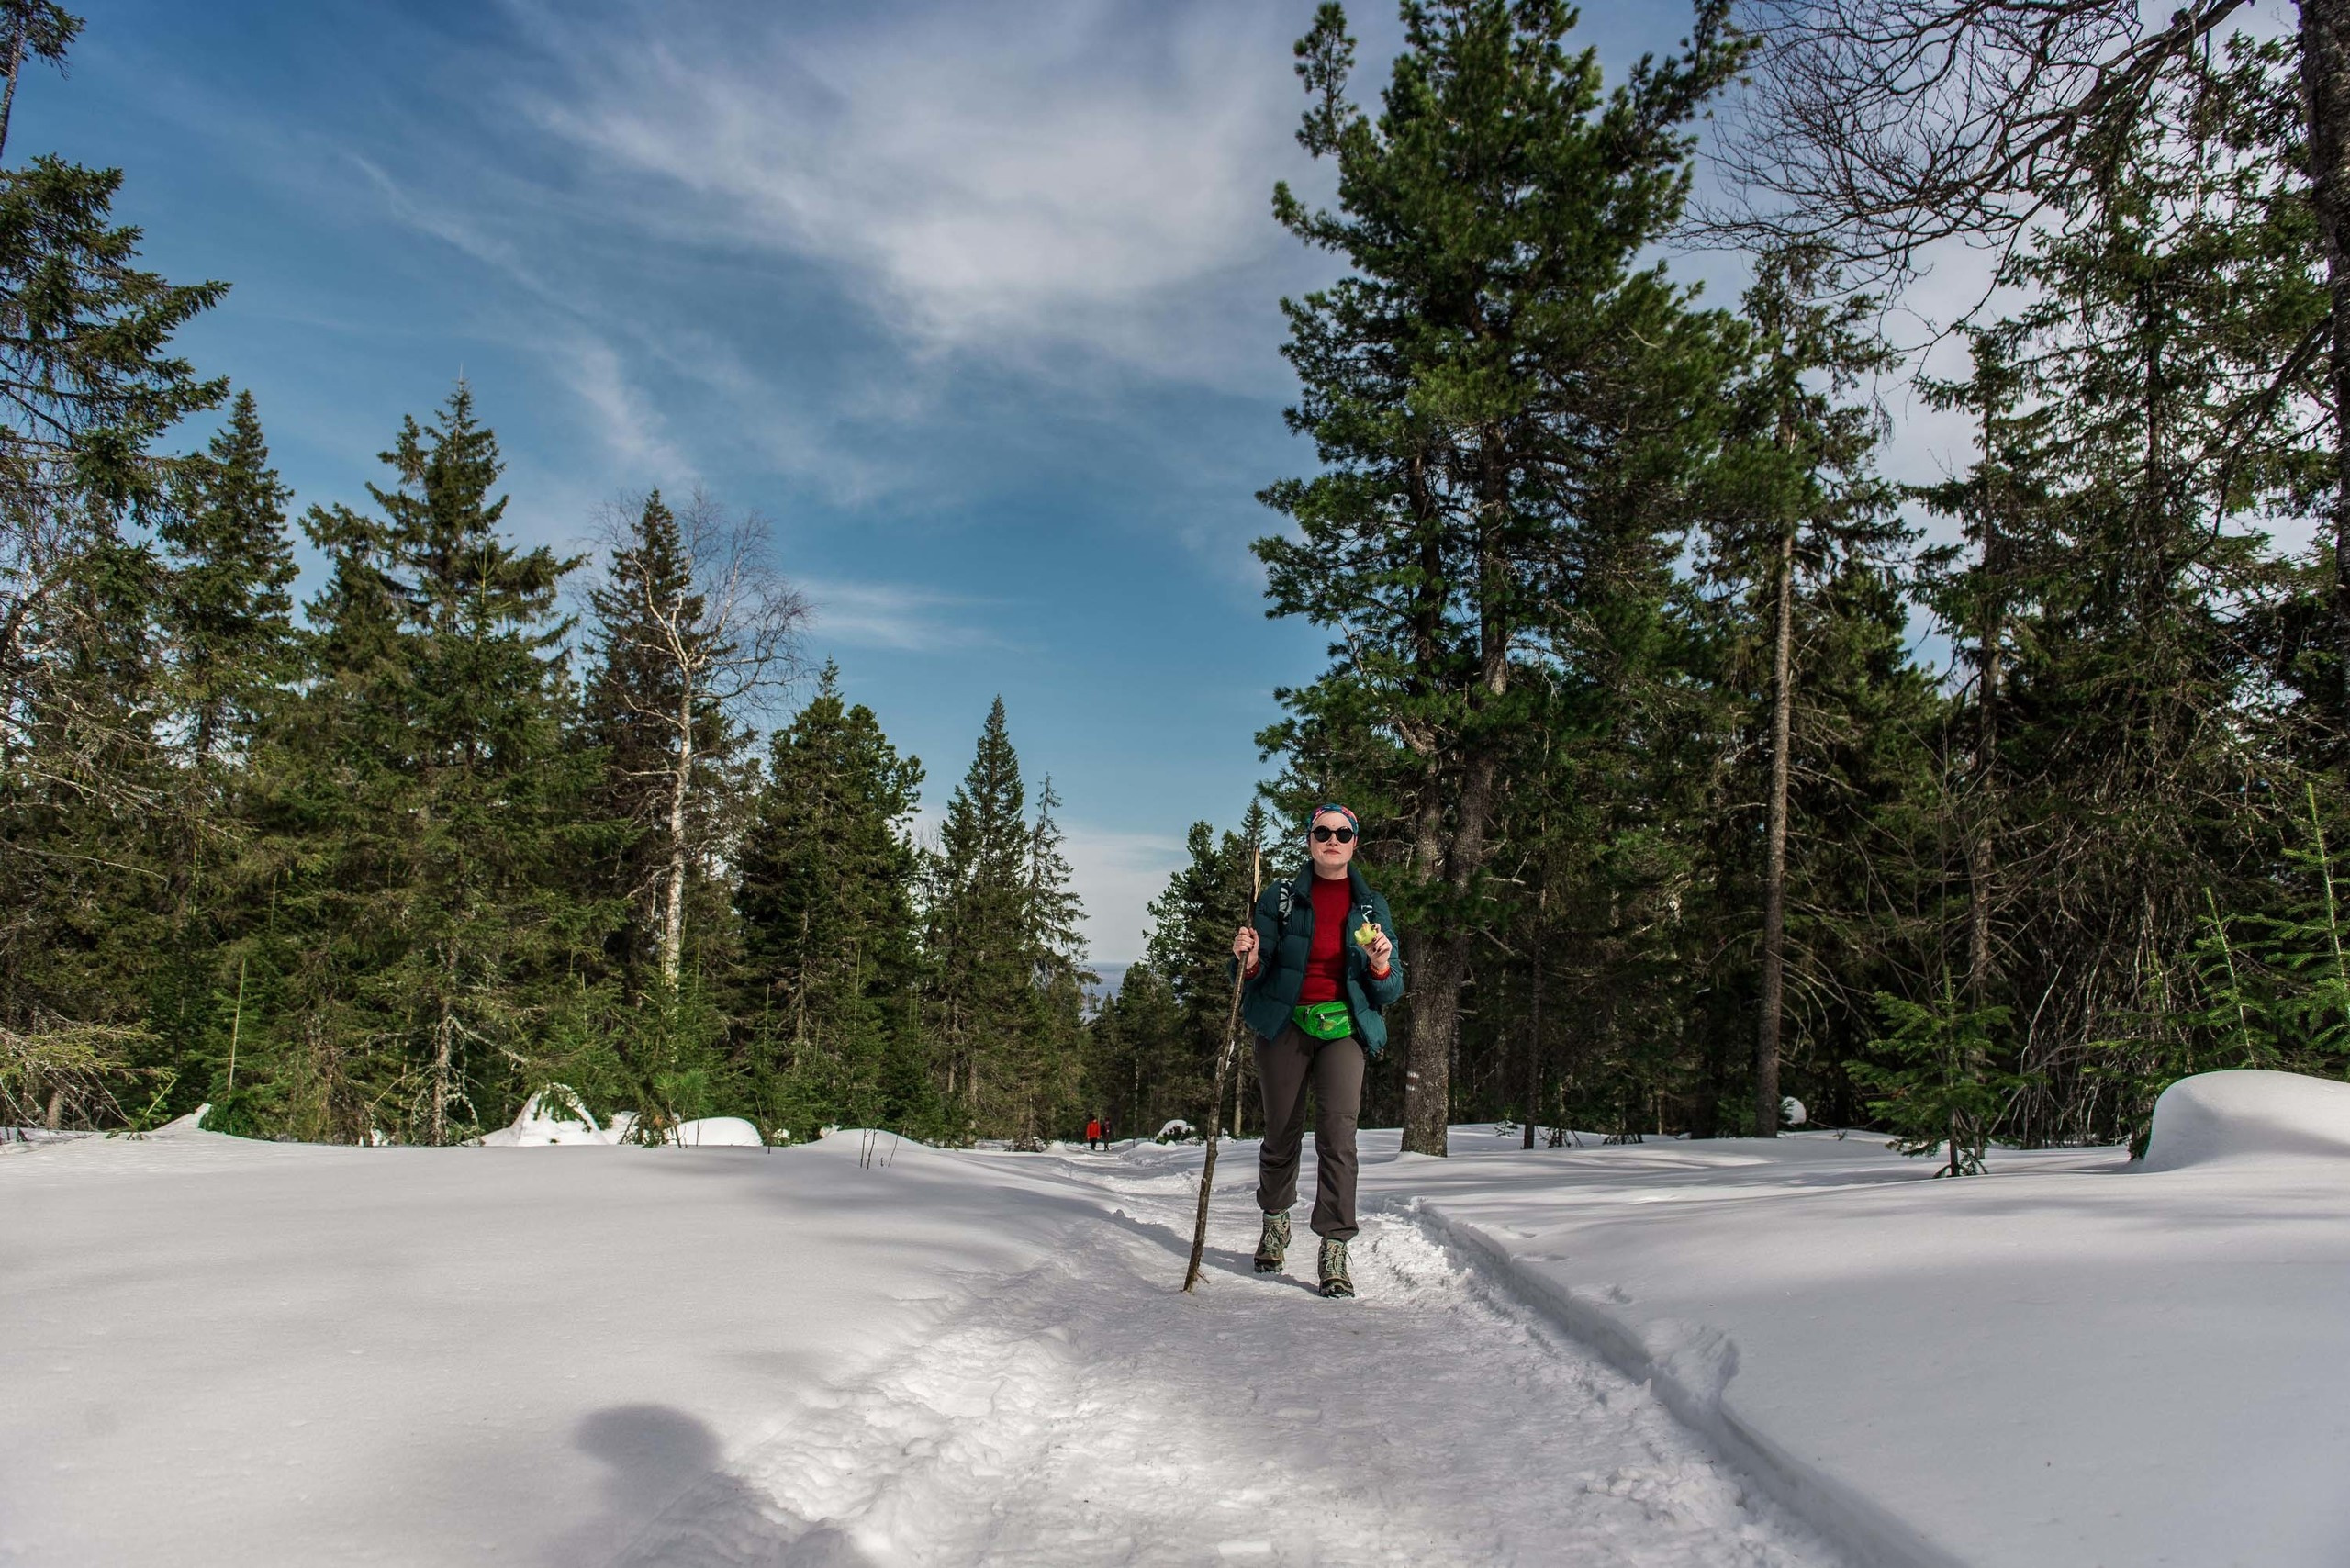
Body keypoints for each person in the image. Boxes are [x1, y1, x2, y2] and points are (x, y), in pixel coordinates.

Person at [1230, 804, 1404, 1298]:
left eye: (1343, 832)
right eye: (1322, 831)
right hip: (1285, 1026)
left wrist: (1380, 965)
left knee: (1337, 1137)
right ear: (1309, 840)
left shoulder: (1372, 908)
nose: (1332, 839)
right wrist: (1250, 957)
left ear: (1354, 843)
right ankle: (1276, 1221)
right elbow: (1248, 975)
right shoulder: (1281, 897)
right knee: (1281, 1132)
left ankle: (1333, 1247)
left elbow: (1391, 990)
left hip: (1344, 1029)